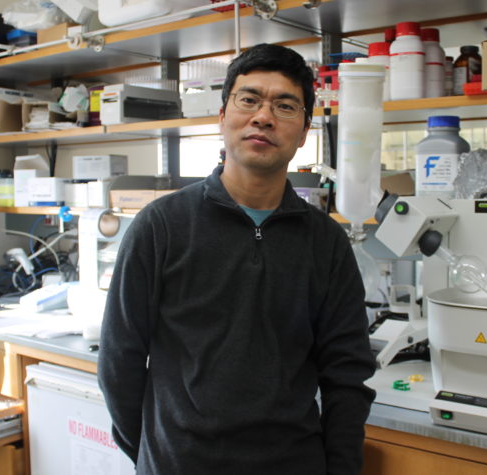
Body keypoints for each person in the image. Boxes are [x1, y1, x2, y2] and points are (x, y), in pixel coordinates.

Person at [98, 43, 376, 475]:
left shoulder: (325, 242)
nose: (263, 117)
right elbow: (119, 362)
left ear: (304, 134)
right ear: (222, 116)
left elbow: (346, 376)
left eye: (285, 106)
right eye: (248, 99)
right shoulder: (160, 227)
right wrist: (156, 455)